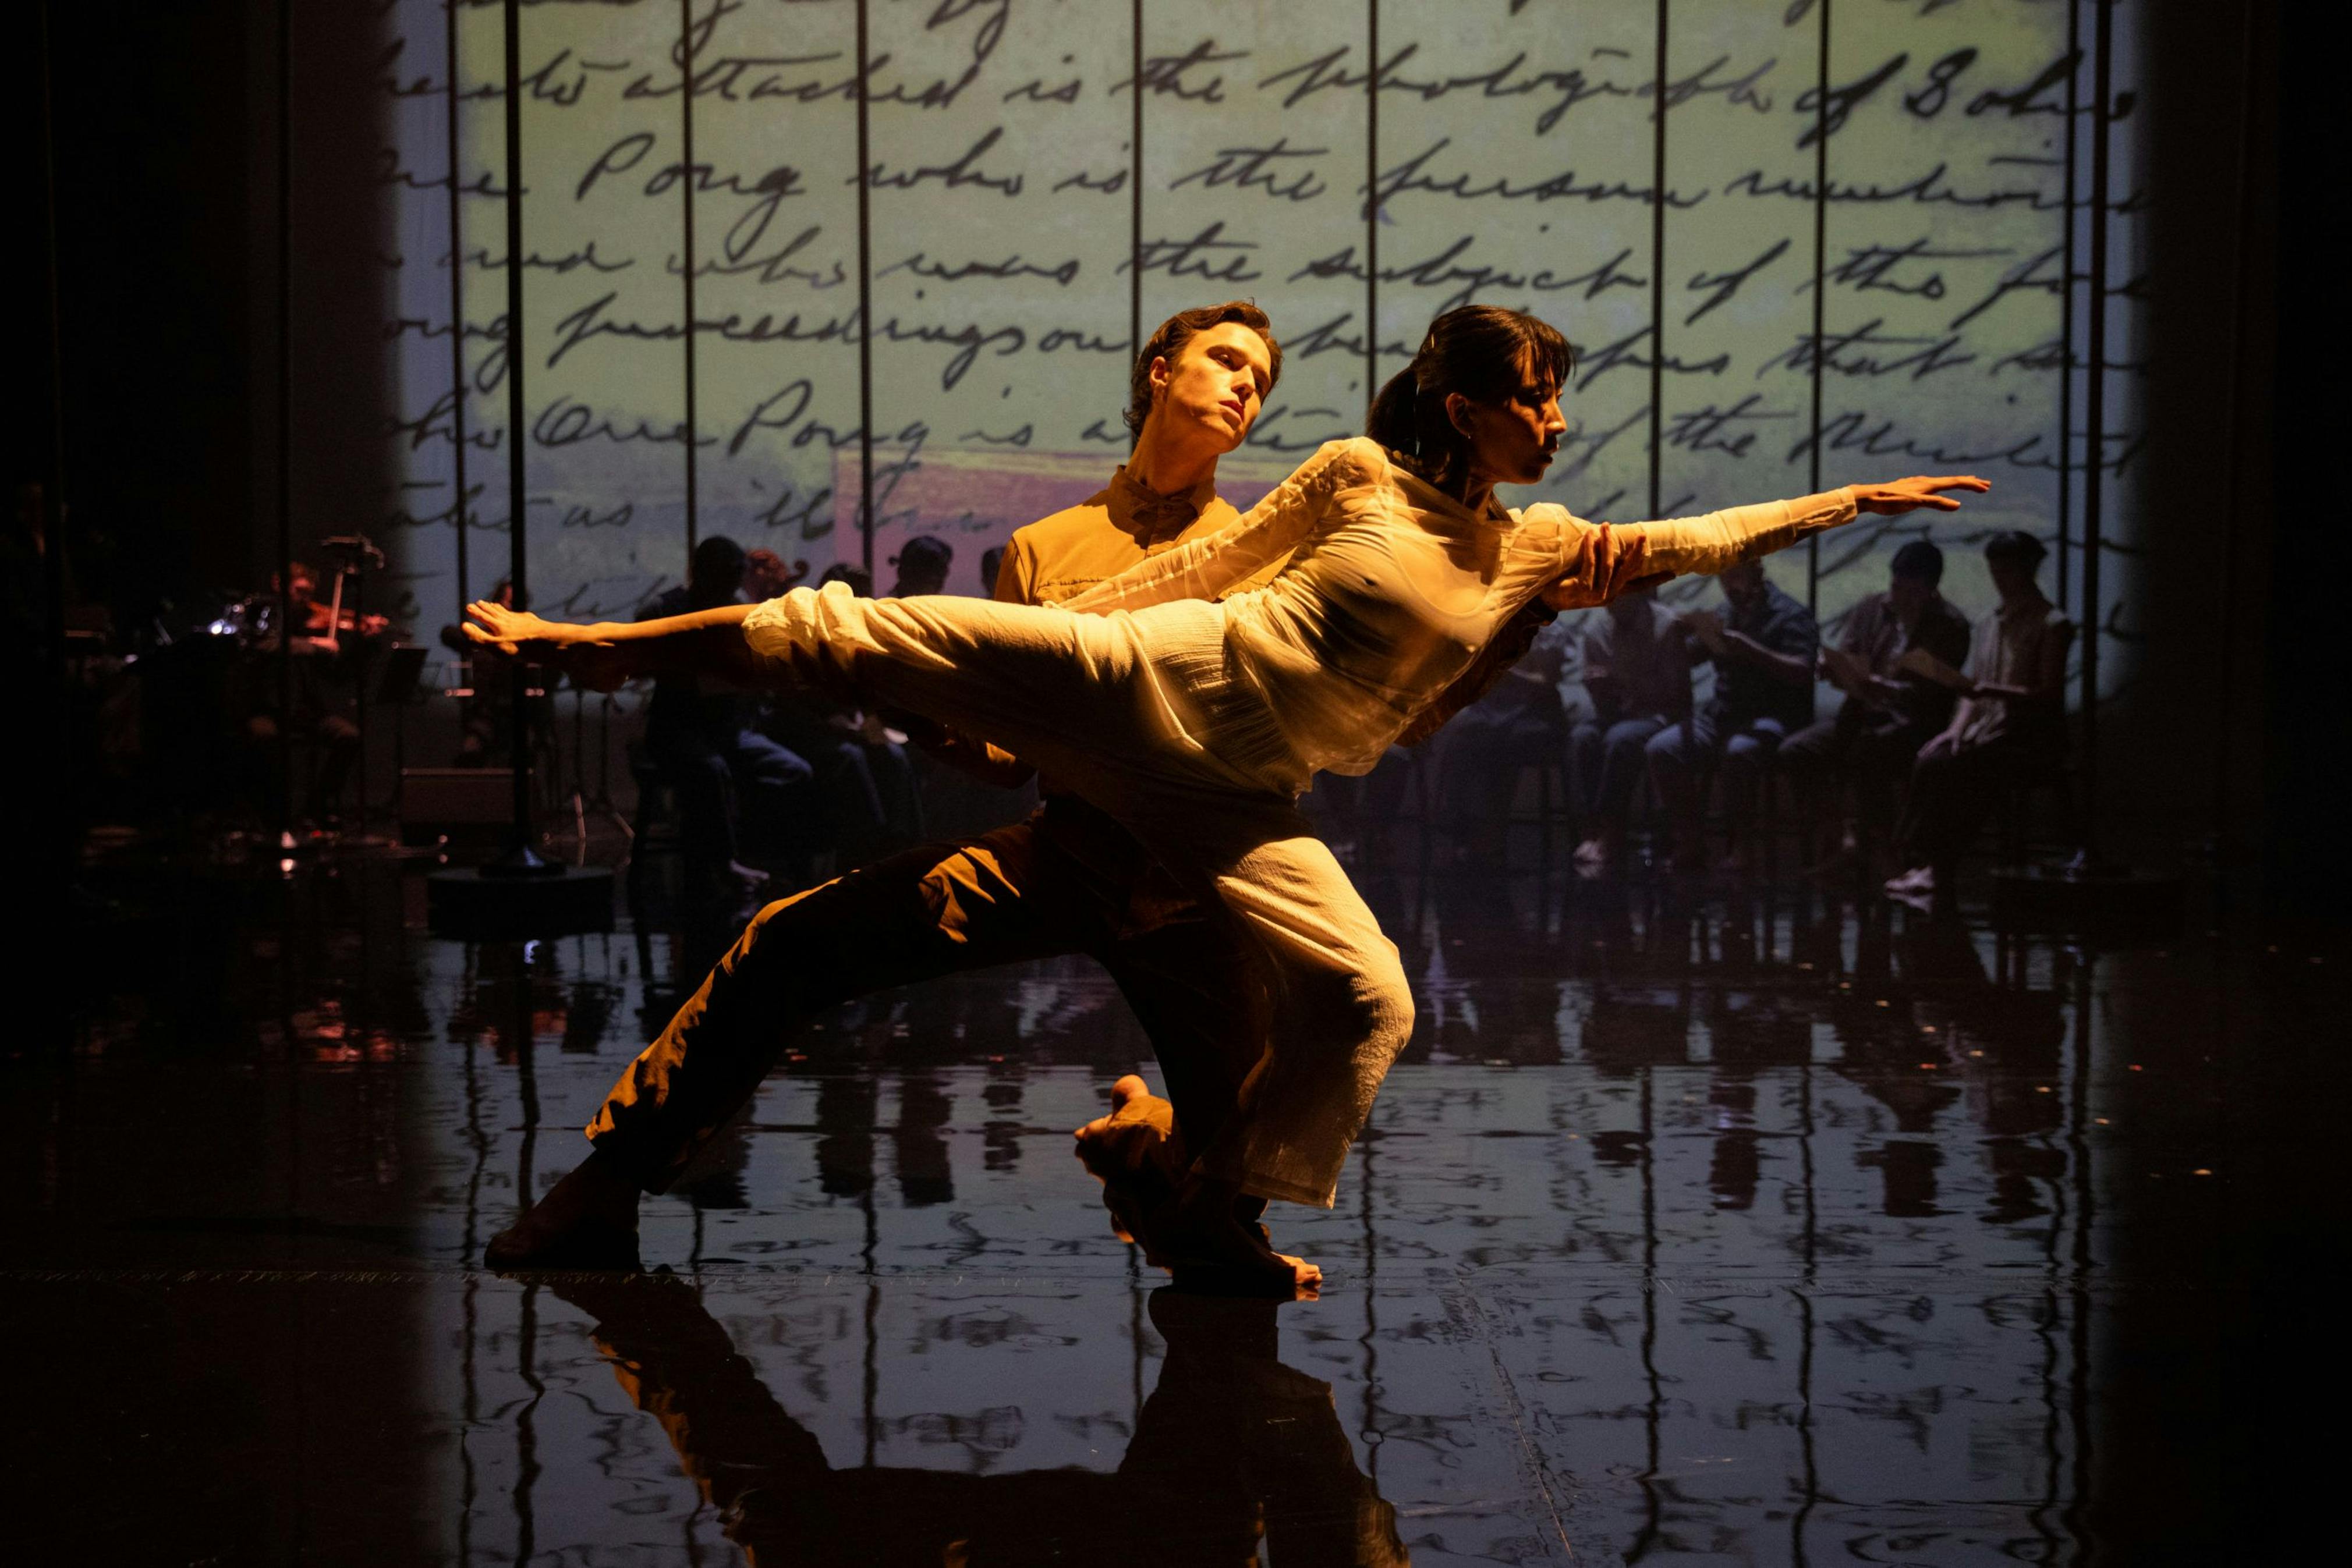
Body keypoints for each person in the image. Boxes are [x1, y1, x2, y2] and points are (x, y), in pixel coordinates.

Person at [470, 304, 1986, 1287]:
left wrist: (1847, 499)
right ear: (1162, 371)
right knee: (809, 884)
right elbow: (1118, 630)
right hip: (1104, 790)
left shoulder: (1431, 530)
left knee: (1343, 1019)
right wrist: (1064, 688)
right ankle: (607, 1149)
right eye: (1225, 364)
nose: (1245, 390)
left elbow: (1672, 542)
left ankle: (1194, 1182)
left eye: (1259, 373)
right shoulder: (1108, 543)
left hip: (1211, 841)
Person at [1886, 530, 2072, 900]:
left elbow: (2048, 694)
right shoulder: (1989, 622)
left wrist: (1989, 693)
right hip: (1987, 731)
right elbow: (1970, 690)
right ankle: (1919, 858)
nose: (2000, 578)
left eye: (2008, 570)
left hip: (2027, 736)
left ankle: (1938, 867)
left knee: (1956, 770)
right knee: (1932, 756)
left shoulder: (2053, 624)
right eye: (1996, 570)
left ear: (2028, 571)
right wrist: (1954, 730)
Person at [1778, 540, 1974, 874]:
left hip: (1915, 723)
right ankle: (1838, 833)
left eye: (1912, 593)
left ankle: (1880, 844)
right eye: (1896, 587)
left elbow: (1941, 688)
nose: (1900, 599)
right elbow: (1850, 653)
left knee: (1869, 753)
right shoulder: (1874, 609)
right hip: (1860, 714)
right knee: (1797, 752)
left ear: (1931, 590)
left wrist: (1892, 690)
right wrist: (1834, 668)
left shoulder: (1950, 625)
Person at [639, 535, 814, 885]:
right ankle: (722, 865)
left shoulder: (734, 609)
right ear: (705, 574)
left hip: (727, 732)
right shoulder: (670, 608)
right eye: (727, 578)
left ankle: (783, 864)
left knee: (795, 772)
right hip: (678, 731)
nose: (733, 588)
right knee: (710, 768)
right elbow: (643, 636)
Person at [1644, 559, 1819, 871]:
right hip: (1724, 713)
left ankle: (1742, 846)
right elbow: (1694, 655)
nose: (1730, 585)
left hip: (1772, 714)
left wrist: (1750, 650)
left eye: (1737, 576)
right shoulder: (1725, 613)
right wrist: (1678, 635)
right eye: (1724, 578)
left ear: (1758, 573)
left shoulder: (1790, 614)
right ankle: (1691, 839)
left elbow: (1804, 671)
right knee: (1663, 748)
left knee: (1740, 752)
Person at [1568, 583, 1694, 872]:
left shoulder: (1666, 626)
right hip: (1619, 713)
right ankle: (1590, 829)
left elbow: (1678, 697)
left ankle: (1611, 832)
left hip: (1659, 714)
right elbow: (1606, 708)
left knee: (1620, 740)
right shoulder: (1597, 631)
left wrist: (1630, 687)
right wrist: (1600, 689)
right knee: (1581, 737)